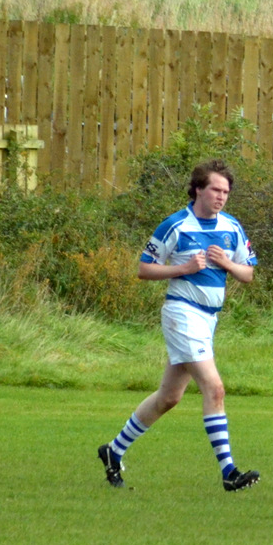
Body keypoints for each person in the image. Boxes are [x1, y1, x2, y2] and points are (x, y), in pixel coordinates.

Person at [98, 158, 260, 492]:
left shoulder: (232, 227)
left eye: (226, 191)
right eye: (215, 189)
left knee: (169, 397)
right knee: (214, 388)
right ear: (198, 189)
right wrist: (183, 269)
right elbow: (144, 269)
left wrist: (227, 263)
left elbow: (248, 274)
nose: (221, 196)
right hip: (182, 314)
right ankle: (229, 472)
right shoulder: (175, 225)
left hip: (209, 319)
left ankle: (114, 450)